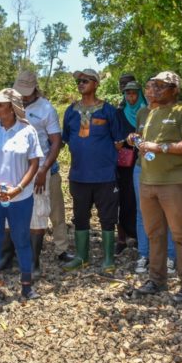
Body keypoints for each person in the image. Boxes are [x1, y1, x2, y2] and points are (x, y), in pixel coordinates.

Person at [127, 71, 182, 304]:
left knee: (181, 234)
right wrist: (134, 139)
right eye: (153, 85)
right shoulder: (149, 112)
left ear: (175, 89)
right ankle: (156, 280)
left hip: (175, 182)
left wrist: (161, 148)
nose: (155, 90)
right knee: (154, 234)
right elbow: (142, 139)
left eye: (162, 86)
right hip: (147, 181)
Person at [0, 88, 43, 310]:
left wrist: (20, 187)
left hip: (20, 197)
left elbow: (34, 163)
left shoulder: (27, 131)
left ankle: (26, 285)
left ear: (12, 108)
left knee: (21, 239)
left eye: (0, 104)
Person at [60, 69, 125, 273]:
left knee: (107, 217)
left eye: (85, 80)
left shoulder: (108, 111)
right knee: (80, 216)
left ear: (96, 84)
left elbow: (119, 142)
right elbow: (67, 138)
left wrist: (102, 156)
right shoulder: (71, 111)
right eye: (79, 81)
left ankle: (108, 259)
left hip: (105, 175)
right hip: (79, 175)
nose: (81, 83)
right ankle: (81, 257)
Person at [0, 70, 62, 276]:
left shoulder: (46, 109)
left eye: (27, 91)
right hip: (11, 167)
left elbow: (55, 142)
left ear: (35, 88)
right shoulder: (8, 103)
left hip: (38, 168)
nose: (23, 96)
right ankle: (7, 258)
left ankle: (33, 262)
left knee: (37, 214)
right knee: (8, 210)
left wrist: (44, 169)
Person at [132, 79, 177, 275]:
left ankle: (170, 256)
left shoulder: (175, 112)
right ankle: (144, 255)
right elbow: (139, 137)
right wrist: (134, 139)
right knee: (143, 212)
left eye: (155, 88)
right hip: (141, 168)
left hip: (167, 171)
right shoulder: (142, 112)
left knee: (167, 213)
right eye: (148, 88)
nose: (151, 92)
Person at [115, 79, 143, 254]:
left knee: (139, 199)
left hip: (142, 161)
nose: (131, 97)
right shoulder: (119, 113)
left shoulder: (147, 112)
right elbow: (115, 135)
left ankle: (141, 237)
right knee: (124, 199)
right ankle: (123, 238)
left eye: (134, 94)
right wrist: (122, 141)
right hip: (124, 164)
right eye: (128, 94)